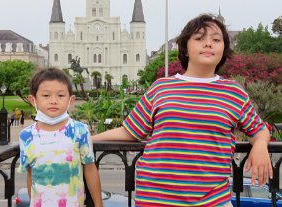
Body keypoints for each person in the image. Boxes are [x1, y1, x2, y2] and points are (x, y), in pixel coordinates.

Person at [92, 14, 273, 207]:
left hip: (212, 200)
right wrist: (87, 138)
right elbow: (130, 131)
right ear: (185, 48)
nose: (208, 44)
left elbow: (258, 129)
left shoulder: (233, 92)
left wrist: (260, 145)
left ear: (224, 49)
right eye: (199, 38)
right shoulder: (161, 87)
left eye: (216, 39)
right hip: (156, 199)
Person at [18, 67, 102, 207]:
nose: (53, 101)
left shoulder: (80, 131)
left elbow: (90, 169)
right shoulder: (26, 136)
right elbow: (31, 174)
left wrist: (99, 204)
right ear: (33, 100)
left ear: (71, 100)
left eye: (60, 96)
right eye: (46, 96)